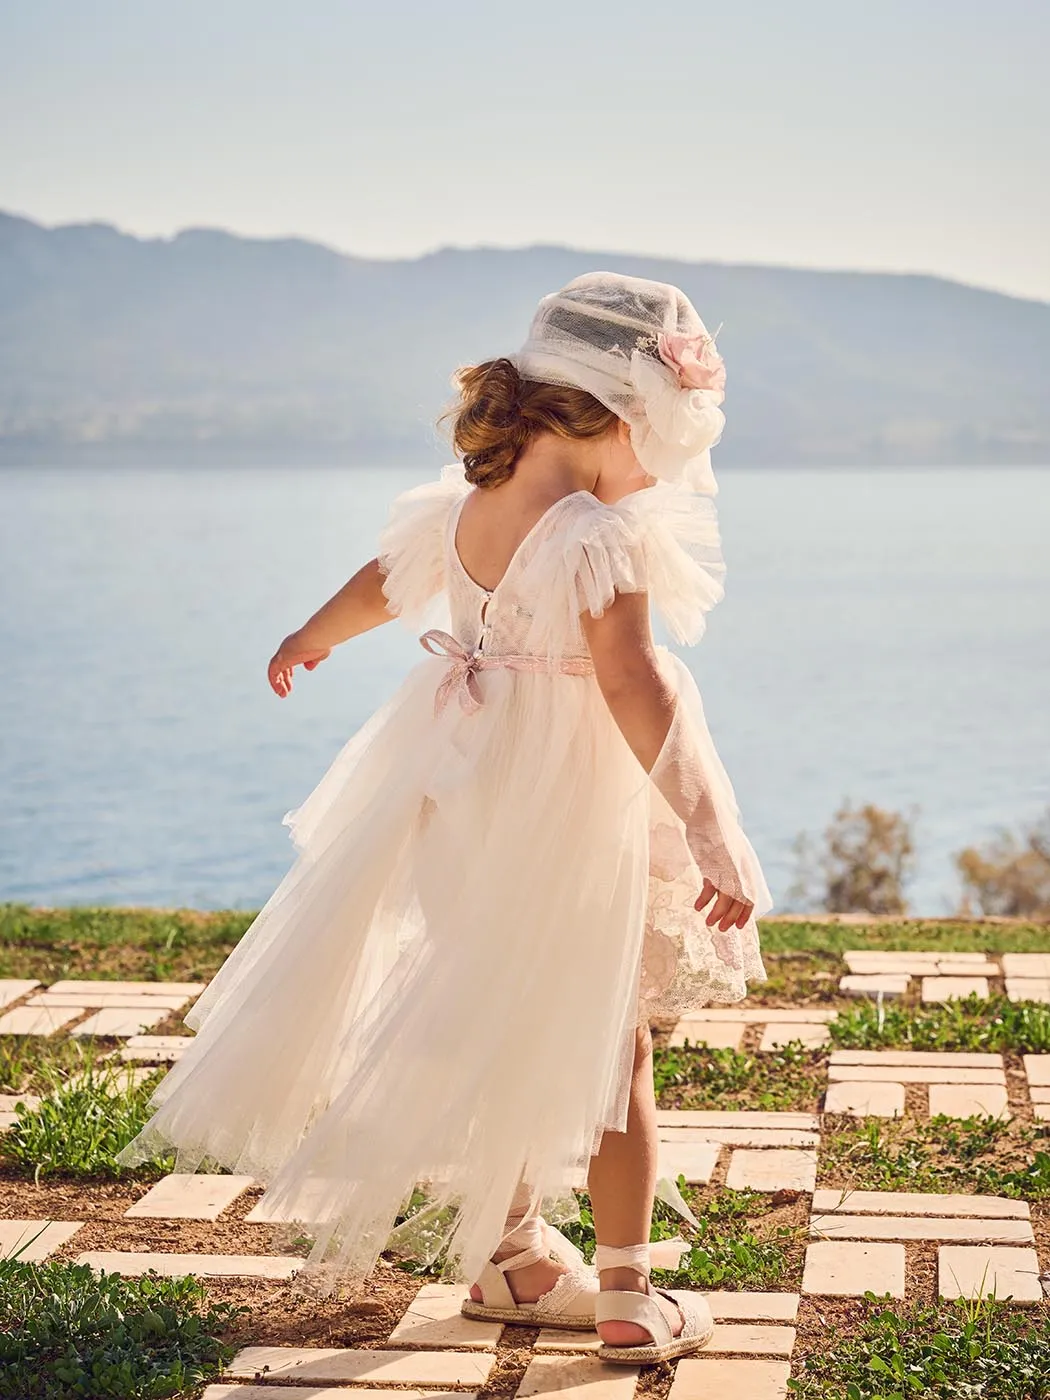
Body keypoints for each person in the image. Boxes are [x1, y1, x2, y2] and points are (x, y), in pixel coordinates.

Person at [118, 272, 771, 1365]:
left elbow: (386, 583)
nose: (661, 471)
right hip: (570, 799)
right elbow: (631, 681)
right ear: (613, 417)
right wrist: (710, 825)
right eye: (657, 442)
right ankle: (625, 1293)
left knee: (495, 1013)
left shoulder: (467, 506)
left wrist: (310, 635)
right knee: (611, 1043)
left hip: (465, 786)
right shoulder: (597, 537)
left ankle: (514, 1250)